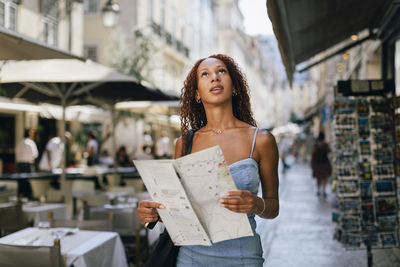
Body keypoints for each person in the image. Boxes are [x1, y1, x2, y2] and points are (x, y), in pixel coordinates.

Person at [137, 54, 279, 266]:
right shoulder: (184, 144)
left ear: (235, 87)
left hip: (243, 257)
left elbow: (273, 207)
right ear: (196, 94)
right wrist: (155, 213)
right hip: (191, 258)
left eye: (221, 71)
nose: (214, 77)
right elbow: (180, 209)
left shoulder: (261, 140)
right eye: (205, 74)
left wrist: (256, 203)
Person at [15, 128, 39, 198]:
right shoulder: (31, 143)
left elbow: (17, 154)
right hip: (28, 165)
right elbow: (35, 154)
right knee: (30, 181)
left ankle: (20, 196)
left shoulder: (19, 142)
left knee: (21, 182)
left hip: (20, 165)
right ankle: (29, 196)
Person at [311, 131, 332, 198]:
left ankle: (318, 190)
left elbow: (312, 154)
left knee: (318, 178)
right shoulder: (325, 145)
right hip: (324, 163)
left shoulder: (315, 146)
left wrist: (311, 163)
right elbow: (330, 151)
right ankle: (323, 190)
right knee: (324, 178)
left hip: (317, 164)